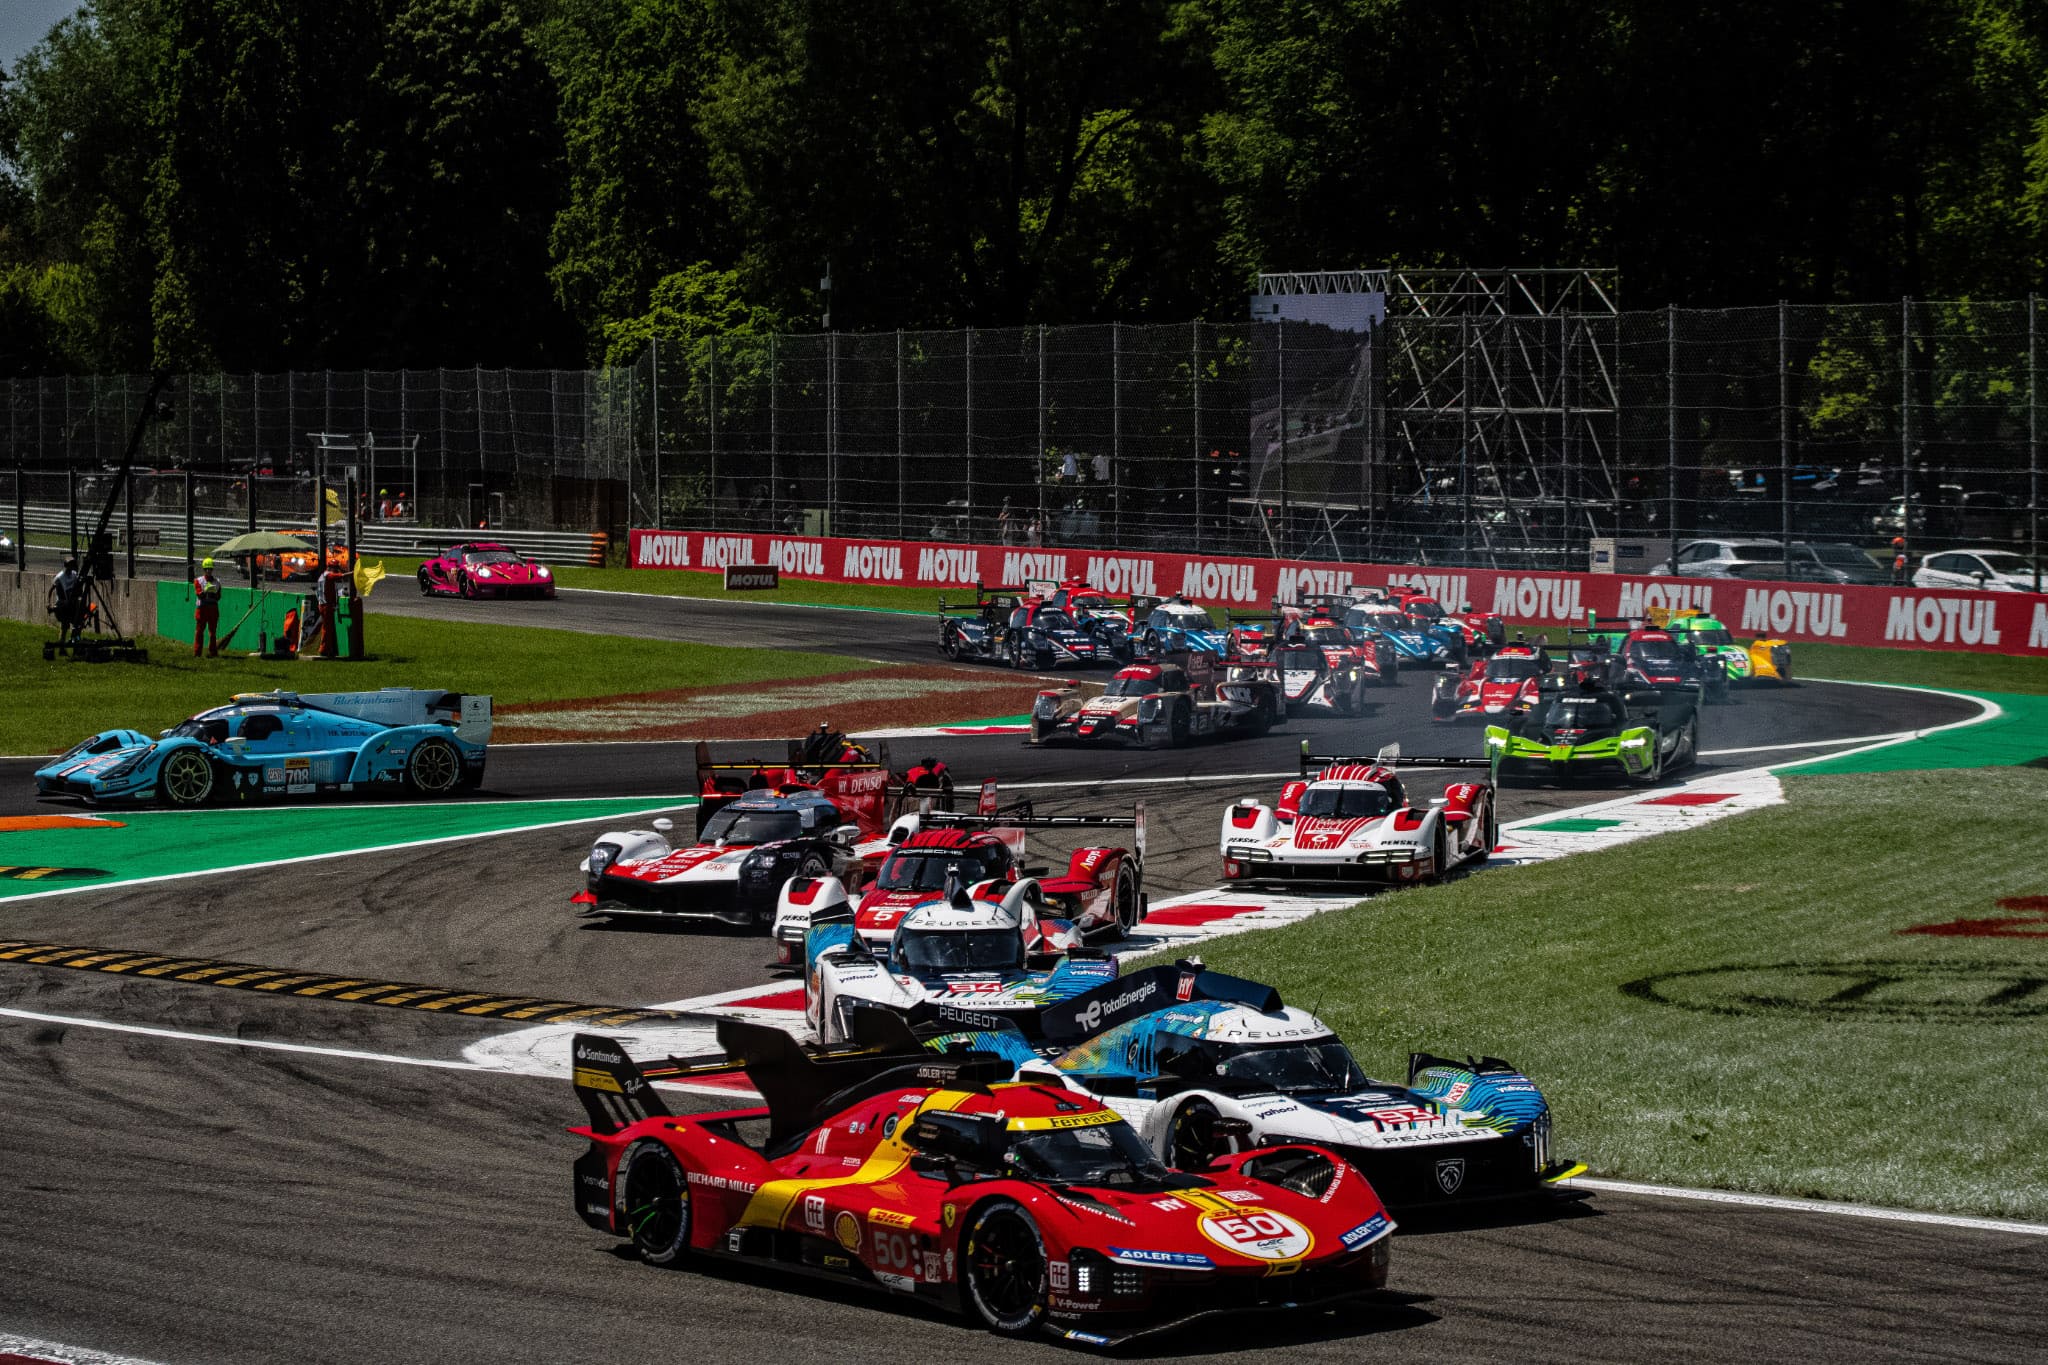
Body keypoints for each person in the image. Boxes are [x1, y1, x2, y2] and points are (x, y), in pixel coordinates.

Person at [50, 556, 87, 643]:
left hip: (72, 604)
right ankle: (62, 647)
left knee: (78, 624)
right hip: (63, 605)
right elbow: (51, 589)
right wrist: (49, 603)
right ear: (67, 565)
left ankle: (75, 642)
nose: (74, 566)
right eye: (72, 564)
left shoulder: (74, 574)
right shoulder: (60, 577)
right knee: (65, 627)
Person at [192, 558, 224, 657]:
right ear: (203, 569)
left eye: (210, 569)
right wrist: (206, 591)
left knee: (212, 633)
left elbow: (218, 597)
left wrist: (212, 593)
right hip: (202, 609)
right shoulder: (198, 581)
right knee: (199, 632)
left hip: (213, 609)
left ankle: (213, 652)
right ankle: (197, 652)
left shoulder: (217, 582)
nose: (208, 571)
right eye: (206, 569)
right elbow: (199, 595)